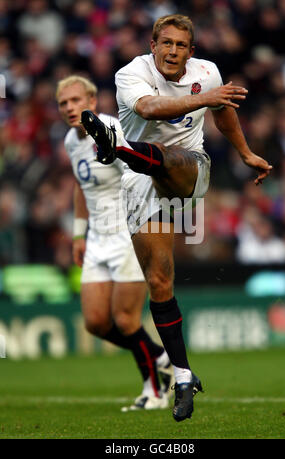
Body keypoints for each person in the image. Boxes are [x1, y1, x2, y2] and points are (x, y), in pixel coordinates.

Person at [81, 14, 273, 422]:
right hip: (139, 185)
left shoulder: (207, 74)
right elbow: (150, 108)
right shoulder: (131, 72)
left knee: (172, 158)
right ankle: (183, 373)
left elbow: (223, 114)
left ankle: (116, 147)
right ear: (152, 45)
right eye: (165, 43)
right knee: (159, 279)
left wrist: (244, 152)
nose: (172, 51)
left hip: (189, 169)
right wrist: (204, 98)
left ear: (192, 50)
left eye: (180, 45)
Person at [56, 75, 174, 412]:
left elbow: (140, 171)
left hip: (126, 231)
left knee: (125, 319)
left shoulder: (111, 128)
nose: (69, 108)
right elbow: (81, 186)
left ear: (92, 102)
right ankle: (160, 356)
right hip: (97, 238)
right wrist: (79, 233)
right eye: (64, 103)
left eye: (76, 100)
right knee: (95, 322)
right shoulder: (70, 141)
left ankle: (154, 390)